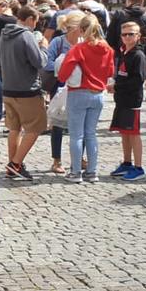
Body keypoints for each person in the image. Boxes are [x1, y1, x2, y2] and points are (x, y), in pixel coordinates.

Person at [58, 13, 114, 183]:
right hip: (98, 94)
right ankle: (92, 171)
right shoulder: (107, 49)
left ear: (81, 30)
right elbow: (110, 72)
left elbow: (63, 75)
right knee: (91, 134)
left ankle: (75, 172)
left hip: (79, 93)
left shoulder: (78, 49)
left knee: (76, 135)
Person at [0, 5, 45, 182]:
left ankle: (13, 166)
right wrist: (43, 48)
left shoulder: (3, 35)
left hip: (7, 90)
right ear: (30, 19)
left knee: (14, 129)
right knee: (36, 127)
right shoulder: (26, 35)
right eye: (36, 22)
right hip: (27, 91)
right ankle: (15, 164)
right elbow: (39, 62)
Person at [44, 12, 84, 174]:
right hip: (60, 87)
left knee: (81, 124)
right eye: (83, 26)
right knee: (58, 125)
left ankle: (80, 158)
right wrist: (67, 66)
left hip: (80, 87)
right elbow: (47, 63)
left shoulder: (84, 42)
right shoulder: (58, 42)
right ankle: (56, 160)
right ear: (74, 28)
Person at [109, 21, 146, 181]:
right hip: (122, 100)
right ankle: (127, 162)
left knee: (133, 133)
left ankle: (138, 167)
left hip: (132, 100)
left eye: (131, 34)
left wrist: (117, 86)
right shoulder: (124, 53)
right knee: (124, 132)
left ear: (138, 36)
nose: (127, 37)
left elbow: (138, 80)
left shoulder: (138, 55)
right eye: (124, 34)